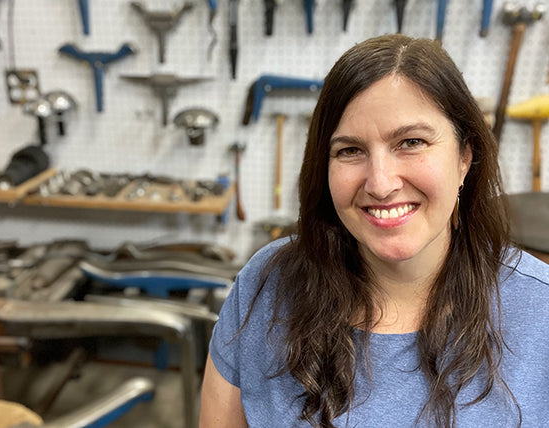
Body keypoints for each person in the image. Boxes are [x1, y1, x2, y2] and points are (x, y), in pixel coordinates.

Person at [199, 34, 549, 428]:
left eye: (411, 142)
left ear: (464, 157)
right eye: (350, 150)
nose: (380, 184)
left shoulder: (541, 313)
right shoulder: (266, 286)